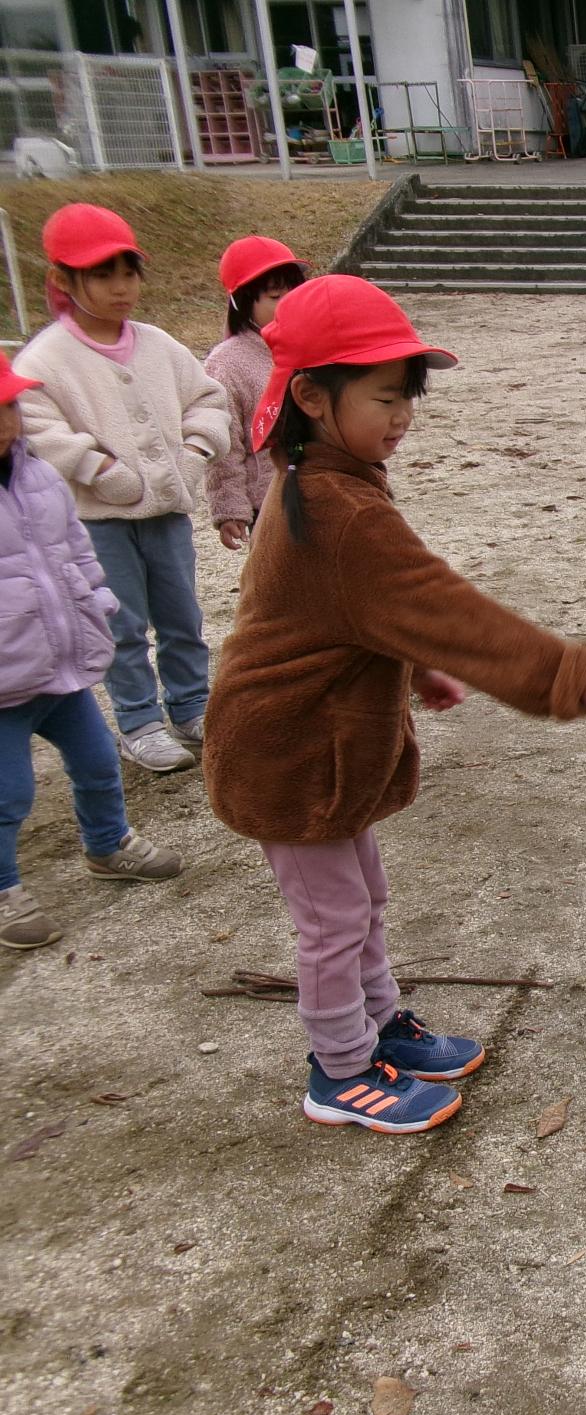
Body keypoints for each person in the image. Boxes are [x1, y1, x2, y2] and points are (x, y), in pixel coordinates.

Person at [203, 275, 586, 1135]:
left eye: (408, 397)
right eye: (384, 397)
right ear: (310, 394)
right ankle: (339, 1070)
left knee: (362, 898)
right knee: (333, 918)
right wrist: (577, 677)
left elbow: (363, 610)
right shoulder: (332, 505)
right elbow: (441, 606)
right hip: (288, 755)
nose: (403, 416)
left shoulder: (326, 477)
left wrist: (414, 669)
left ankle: (378, 1027)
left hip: (320, 747)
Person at [16, 204, 230, 775]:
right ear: (64, 280)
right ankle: (139, 722)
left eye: (129, 273)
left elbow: (209, 398)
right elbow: (36, 425)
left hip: (167, 511)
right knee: (123, 623)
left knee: (183, 614)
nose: (121, 288)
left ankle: (191, 705)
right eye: (103, 275)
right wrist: (99, 469)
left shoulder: (159, 345)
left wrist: (194, 454)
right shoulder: (46, 357)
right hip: (99, 520)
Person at [0, 349, 183, 949]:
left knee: (100, 762)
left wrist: (95, 602)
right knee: (10, 792)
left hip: (59, 665)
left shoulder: (40, 475)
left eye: (10, 406)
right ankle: (5, 890)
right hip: (4, 682)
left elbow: (76, 548)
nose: (9, 420)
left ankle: (108, 845)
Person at [205, 236, 308, 551]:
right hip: (269, 502)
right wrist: (230, 508)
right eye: (276, 296)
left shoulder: (313, 347)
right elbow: (225, 444)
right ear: (242, 301)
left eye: (295, 293)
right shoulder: (227, 363)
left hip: (324, 490)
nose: (288, 303)